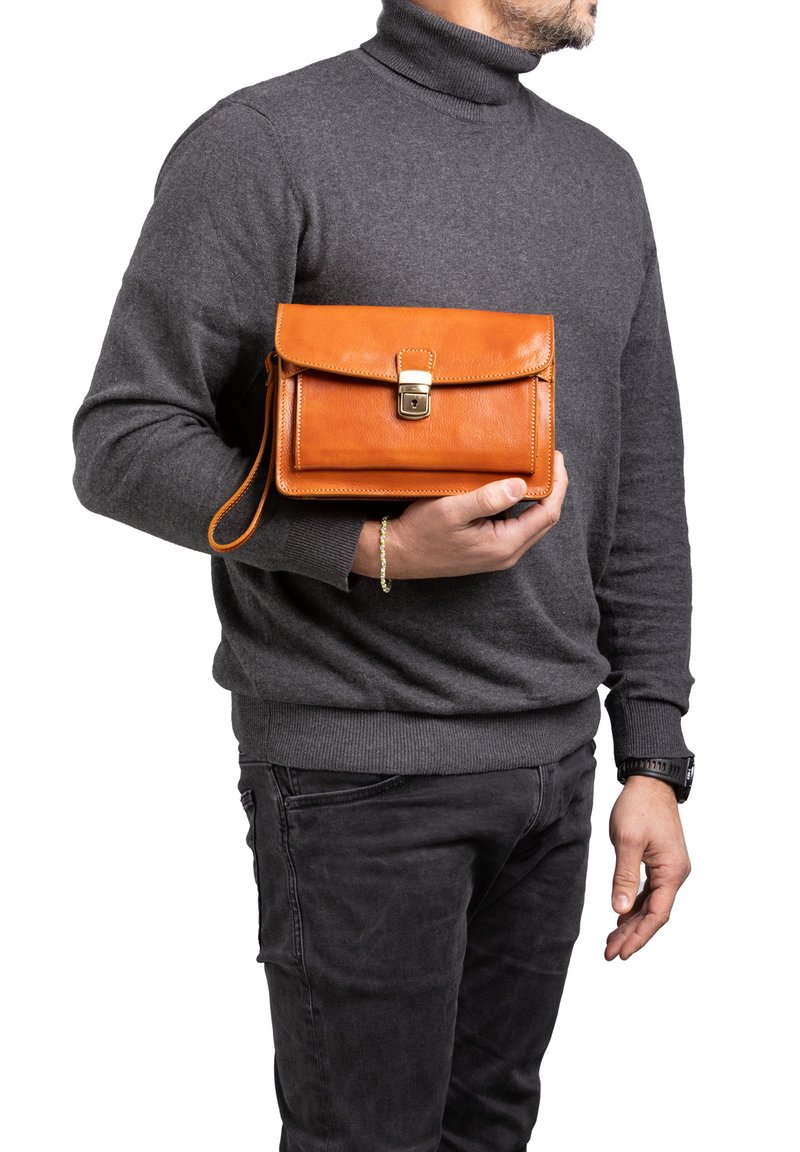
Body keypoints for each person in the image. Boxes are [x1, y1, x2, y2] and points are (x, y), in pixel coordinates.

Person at [71, 1, 696, 1147]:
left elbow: (641, 484)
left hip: (554, 779)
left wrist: (651, 757)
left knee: (490, 1129)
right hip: (356, 773)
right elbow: (126, 439)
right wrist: (370, 551)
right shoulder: (266, 143)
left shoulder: (602, 178)